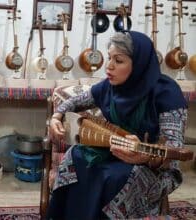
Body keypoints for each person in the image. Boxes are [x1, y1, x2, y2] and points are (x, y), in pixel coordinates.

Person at [47, 31, 188, 219]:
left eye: (118, 61)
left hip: (153, 167)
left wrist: (144, 158)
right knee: (76, 156)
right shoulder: (109, 87)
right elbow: (74, 102)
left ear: (138, 64)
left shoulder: (166, 93)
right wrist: (56, 117)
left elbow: (173, 151)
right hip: (114, 151)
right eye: (109, 58)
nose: (109, 66)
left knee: (115, 177)